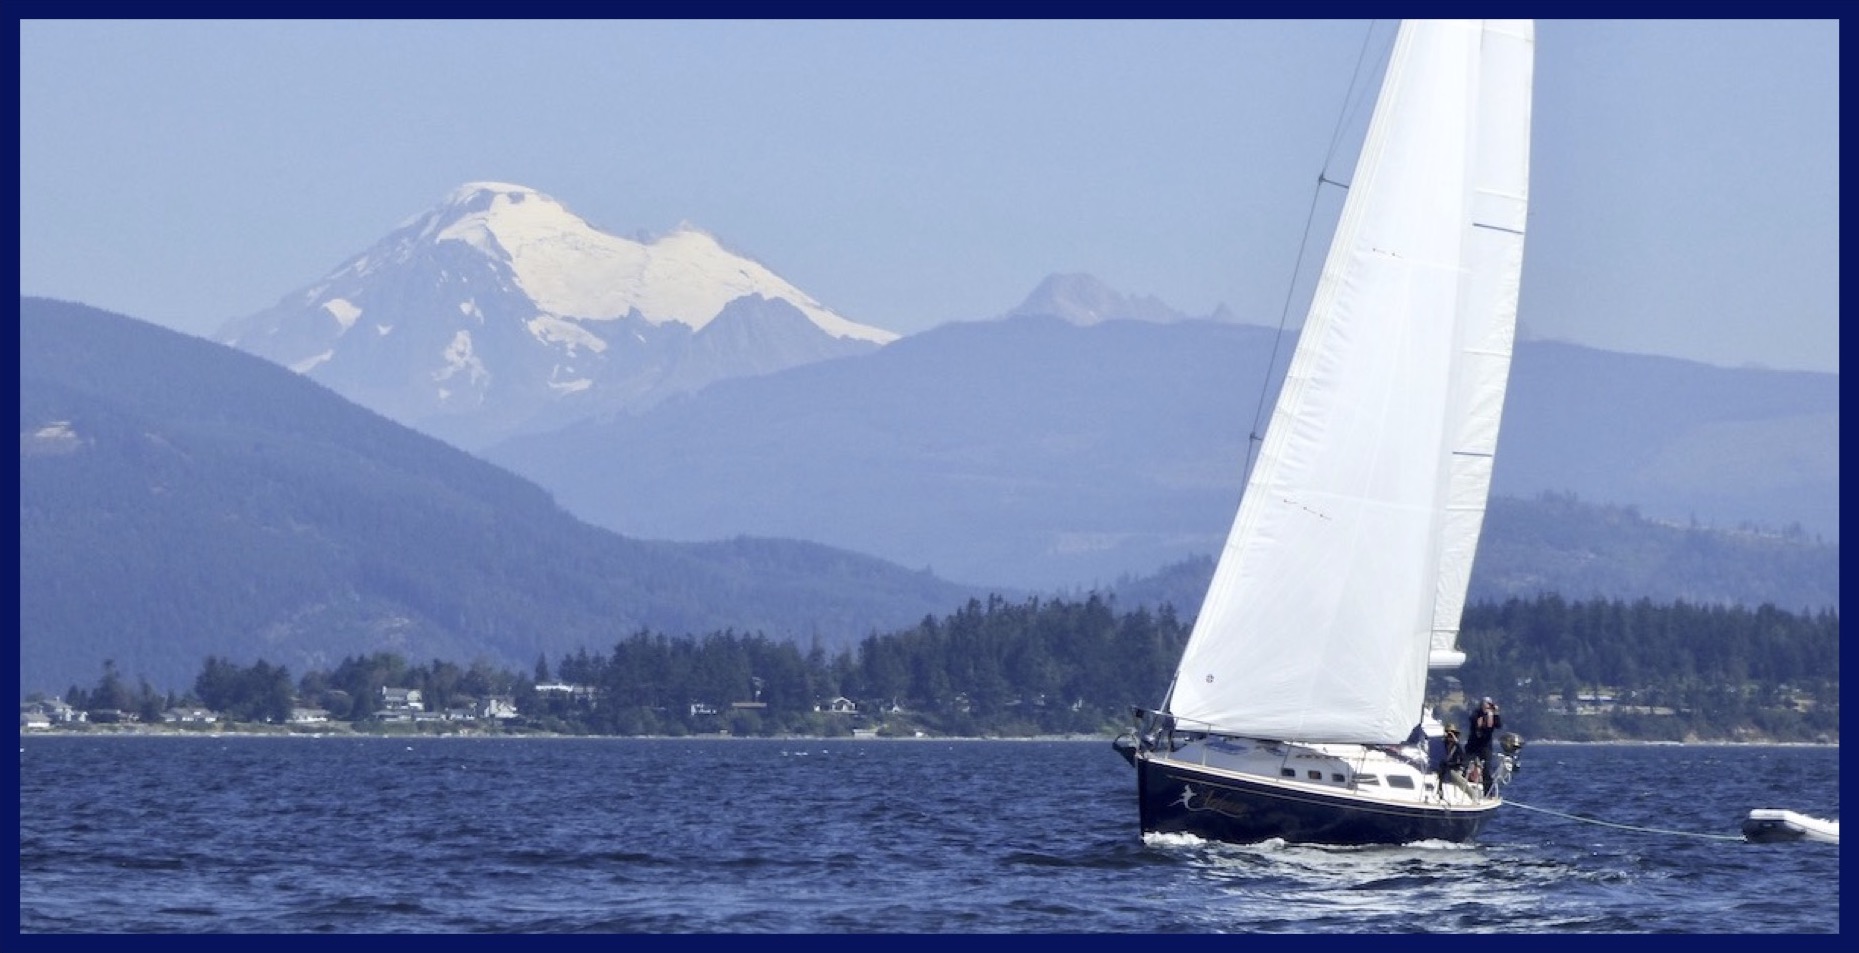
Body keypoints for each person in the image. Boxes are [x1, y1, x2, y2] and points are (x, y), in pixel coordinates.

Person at [1466, 696, 1503, 795]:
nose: (1487, 706)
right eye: (1485, 704)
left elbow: (1498, 725)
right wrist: (1483, 714)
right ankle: (1465, 787)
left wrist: (1495, 713)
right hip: (1473, 745)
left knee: (1486, 769)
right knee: (1466, 765)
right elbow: (1473, 720)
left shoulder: (1492, 715)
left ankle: (1488, 792)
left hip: (1485, 746)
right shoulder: (1476, 713)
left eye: (1489, 704)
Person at [1438, 724, 1469, 796]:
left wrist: (1456, 743)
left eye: (1452, 734)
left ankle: (1472, 794)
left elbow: (1463, 757)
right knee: (1441, 772)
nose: (1450, 736)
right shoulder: (1442, 744)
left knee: (1456, 777)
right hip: (1444, 767)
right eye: (1448, 734)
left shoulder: (1457, 746)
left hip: (1455, 768)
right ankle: (1440, 792)